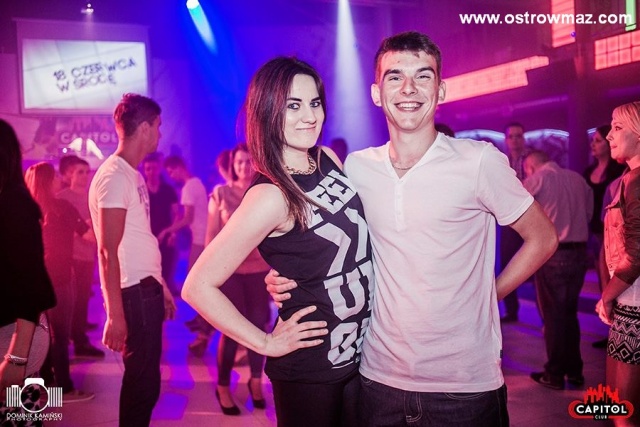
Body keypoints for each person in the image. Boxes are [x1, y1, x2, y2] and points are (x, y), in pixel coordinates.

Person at [268, 31, 558, 426]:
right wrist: (285, 273)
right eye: (395, 76)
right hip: (377, 379)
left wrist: (489, 294)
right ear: (376, 93)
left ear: (441, 91)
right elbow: (331, 243)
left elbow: (543, 237)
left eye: (423, 76)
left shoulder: (478, 161)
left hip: (464, 385)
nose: (409, 88)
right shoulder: (357, 168)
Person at [182, 56, 373, 426]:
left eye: (315, 103)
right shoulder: (269, 195)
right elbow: (197, 286)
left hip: (358, 354)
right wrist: (265, 343)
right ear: (268, 112)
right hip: (311, 368)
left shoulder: (327, 159)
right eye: (293, 106)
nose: (310, 116)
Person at [88, 93, 176, 426]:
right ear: (144, 128)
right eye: (158, 126)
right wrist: (114, 314)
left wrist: (160, 283)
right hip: (133, 293)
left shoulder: (131, 174)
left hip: (145, 287)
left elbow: (138, 239)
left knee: (147, 382)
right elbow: (107, 251)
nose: (160, 134)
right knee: (142, 384)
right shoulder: (114, 176)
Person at [193, 143, 272, 414]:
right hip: (230, 273)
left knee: (258, 328)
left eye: (249, 161)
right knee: (231, 329)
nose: (244, 166)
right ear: (232, 164)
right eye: (239, 161)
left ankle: (255, 381)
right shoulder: (220, 194)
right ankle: (223, 386)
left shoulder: (263, 192)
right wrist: (209, 277)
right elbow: (211, 239)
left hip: (259, 271)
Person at [24, 162, 96, 403]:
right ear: (48, 181)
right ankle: (64, 387)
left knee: (41, 333)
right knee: (61, 336)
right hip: (60, 277)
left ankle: (45, 381)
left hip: (33, 278)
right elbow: (88, 236)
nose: (59, 180)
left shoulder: (25, 209)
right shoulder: (63, 207)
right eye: (55, 176)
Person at [522, 150, 593, 390]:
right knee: (569, 314)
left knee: (553, 316)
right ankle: (574, 371)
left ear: (531, 166)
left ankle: (554, 374)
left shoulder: (538, 179)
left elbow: (516, 210)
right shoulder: (578, 179)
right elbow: (589, 214)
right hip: (579, 254)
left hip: (553, 254)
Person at [0, 119, 57, 418]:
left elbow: (31, 283)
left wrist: (17, 357)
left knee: (17, 416)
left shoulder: (14, 204)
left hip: (11, 339)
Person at [596, 101, 640, 427]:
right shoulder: (628, 178)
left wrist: (607, 296)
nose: (610, 135)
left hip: (634, 305)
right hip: (629, 302)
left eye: (617, 127)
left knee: (622, 412)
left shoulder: (636, 181)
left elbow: (636, 252)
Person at [583, 125, 626, 348]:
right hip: (594, 230)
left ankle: (619, 329)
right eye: (593, 140)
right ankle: (610, 327)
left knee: (614, 278)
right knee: (603, 280)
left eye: (598, 140)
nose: (593, 144)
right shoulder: (588, 171)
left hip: (613, 233)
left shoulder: (619, 173)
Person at [57, 157, 105, 358]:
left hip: (88, 255)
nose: (85, 176)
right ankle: (72, 339)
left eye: (87, 172)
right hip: (69, 257)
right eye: (80, 172)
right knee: (69, 301)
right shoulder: (62, 198)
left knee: (83, 299)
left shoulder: (92, 197)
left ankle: (78, 338)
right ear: (69, 175)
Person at [499, 122, 531, 323]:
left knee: (535, 263)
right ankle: (512, 311)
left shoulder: (532, 159)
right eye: (511, 136)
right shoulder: (502, 160)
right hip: (508, 220)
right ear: (506, 140)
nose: (515, 140)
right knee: (507, 264)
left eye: (518, 136)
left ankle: (545, 317)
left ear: (523, 138)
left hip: (529, 216)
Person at [142, 152, 180, 296]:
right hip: (147, 237)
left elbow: (177, 214)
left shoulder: (168, 190)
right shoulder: (141, 191)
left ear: (159, 169)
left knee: (166, 270)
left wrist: (173, 233)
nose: (151, 172)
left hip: (166, 237)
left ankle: (165, 301)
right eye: (148, 169)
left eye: (154, 168)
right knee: (149, 272)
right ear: (144, 171)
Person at [161, 155, 209, 271]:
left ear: (178, 167)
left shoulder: (188, 188)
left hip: (199, 238)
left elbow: (188, 218)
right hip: (205, 235)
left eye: (171, 172)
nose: (171, 176)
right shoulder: (197, 182)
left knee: (193, 273)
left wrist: (167, 231)